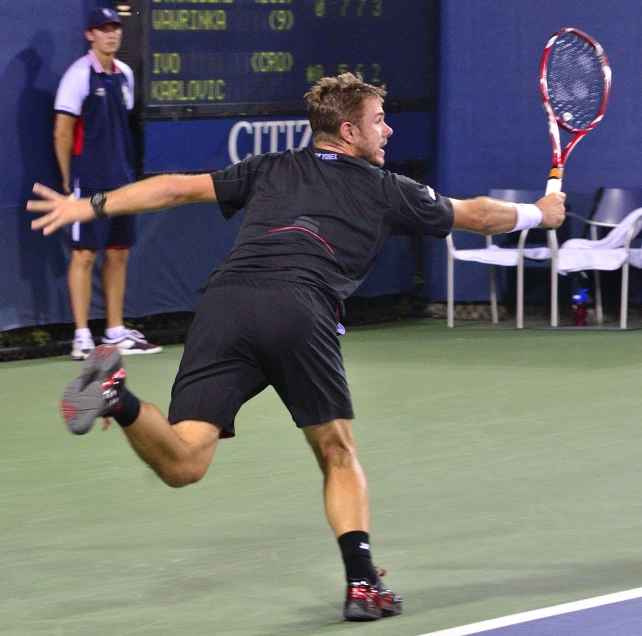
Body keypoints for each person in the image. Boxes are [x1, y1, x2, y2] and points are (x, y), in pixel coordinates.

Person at [29, 73, 566, 621]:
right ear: (350, 130)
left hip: (224, 304)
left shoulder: (270, 167)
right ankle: (362, 585)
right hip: (299, 307)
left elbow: (174, 188)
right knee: (337, 450)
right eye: (379, 121)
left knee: (184, 461)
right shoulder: (387, 190)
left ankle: (118, 398)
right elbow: (476, 214)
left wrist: (90, 206)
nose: (388, 130)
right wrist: (539, 213)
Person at [53, 7, 161, 359]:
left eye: (115, 28)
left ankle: (114, 331)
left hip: (122, 182)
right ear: (90, 35)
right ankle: (82, 337)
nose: (112, 34)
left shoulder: (125, 74)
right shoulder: (78, 75)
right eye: (103, 29)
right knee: (84, 255)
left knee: (119, 253)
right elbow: (63, 131)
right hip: (89, 182)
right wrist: (70, 181)